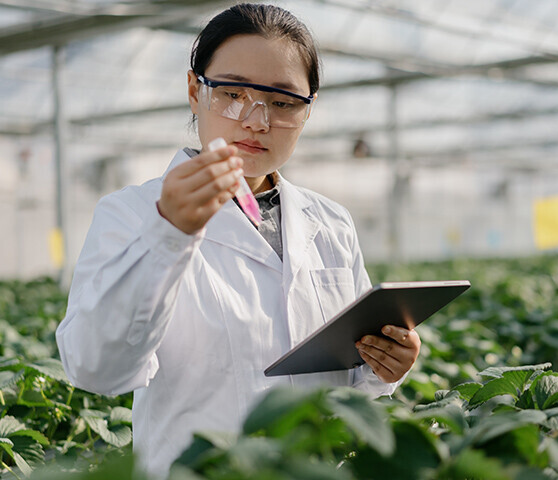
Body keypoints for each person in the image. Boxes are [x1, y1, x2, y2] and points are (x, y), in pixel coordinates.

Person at [56, 3, 420, 478]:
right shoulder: (131, 215)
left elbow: (349, 376)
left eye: (283, 102)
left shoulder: (332, 222)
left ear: (307, 111)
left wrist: (382, 366)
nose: (256, 120)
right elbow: (95, 369)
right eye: (232, 92)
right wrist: (169, 234)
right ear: (194, 91)